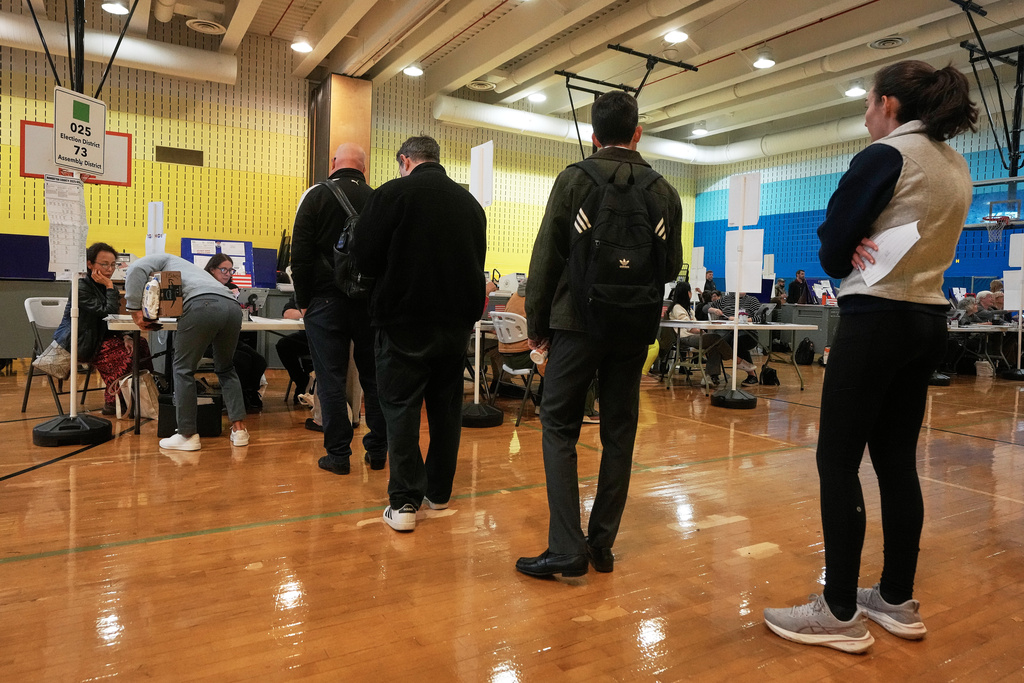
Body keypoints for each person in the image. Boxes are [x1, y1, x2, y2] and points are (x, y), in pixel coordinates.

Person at [764, 60, 977, 653]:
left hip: (876, 318)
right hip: (928, 320)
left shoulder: (884, 156)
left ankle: (836, 611)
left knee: (837, 463)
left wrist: (846, 239)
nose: (863, 116)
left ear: (888, 104)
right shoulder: (954, 165)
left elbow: (832, 251)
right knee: (897, 463)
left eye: (866, 104)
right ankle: (897, 598)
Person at [516, 90, 682, 578]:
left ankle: (565, 545)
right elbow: (669, 265)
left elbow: (545, 258)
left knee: (559, 426)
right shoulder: (663, 191)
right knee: (619, 432)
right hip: (633, 327)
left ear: (592, 135)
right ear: (638, 132)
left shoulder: (573, 180)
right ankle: (602, 545)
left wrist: (537, 328)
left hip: (576, 322)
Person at [353, 135, 487, 532]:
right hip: (455, 325)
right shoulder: (471, 205)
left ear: (404, 160)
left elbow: (364, 254)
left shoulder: (393, 194)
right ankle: (440, 492)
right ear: (436, 160)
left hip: (403, 320)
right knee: (446, 408)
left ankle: (405, 503)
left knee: (401, 407)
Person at [290, 142, 388, 475]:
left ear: (334, 163)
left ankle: (338, 454)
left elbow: (299, 254)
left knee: (330, 378)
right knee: (373, 378)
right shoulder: (378, 200)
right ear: (364, 167)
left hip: (324, 301)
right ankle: (377, 450)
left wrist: (303, 301)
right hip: (368, 304)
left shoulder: (315, 195)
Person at [124, 253, 250, 450]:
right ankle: (239, 430)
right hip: (232, 308)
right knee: (225, 368)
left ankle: (187, 434)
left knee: (183, 369)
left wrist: (135, 311)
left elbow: (135, 269)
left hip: (201, 305)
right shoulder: (192, 270)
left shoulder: (159, 259)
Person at [51, 242, 152, 415]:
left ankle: (143, 394)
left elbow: (110, 322)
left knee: (139, 343)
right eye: (104, 264)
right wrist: (110, 286)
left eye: (113, 265)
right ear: (90, 264)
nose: (110, 269)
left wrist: (126, 337)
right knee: (121, 354)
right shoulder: (81, 285)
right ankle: (113, 402)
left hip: (99, 337)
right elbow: (108, 313)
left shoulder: (103, 285)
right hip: (82, 341)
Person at [203, 254, 268, 413]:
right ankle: (237, 399)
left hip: (227, 338)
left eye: (230, 270)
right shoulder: (204, 286)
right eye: (223, 269)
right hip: (207, 340)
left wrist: (247, 308)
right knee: (242, 359)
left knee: (259, 360)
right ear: (212, 270)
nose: (227, 273)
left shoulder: (232, 286)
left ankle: (250, 393)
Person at [706, 292, 760, 385]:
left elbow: (759, 317)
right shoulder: (725, 299)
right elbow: (704, 307)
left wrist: (739, 320)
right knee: (717, 340)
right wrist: (714, 310)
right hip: (727, 331)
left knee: (738, 341)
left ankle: (752, 374)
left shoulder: (752, 300)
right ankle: (712, 375)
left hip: (747, 332)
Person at [274, 296, 311, 403]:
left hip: (325, 336)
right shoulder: (299, 291)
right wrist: (308, 312)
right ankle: (302, 381)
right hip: (305, 335)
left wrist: (301, 312)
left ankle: (311, 387)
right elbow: (287, 314)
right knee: (283, 345)